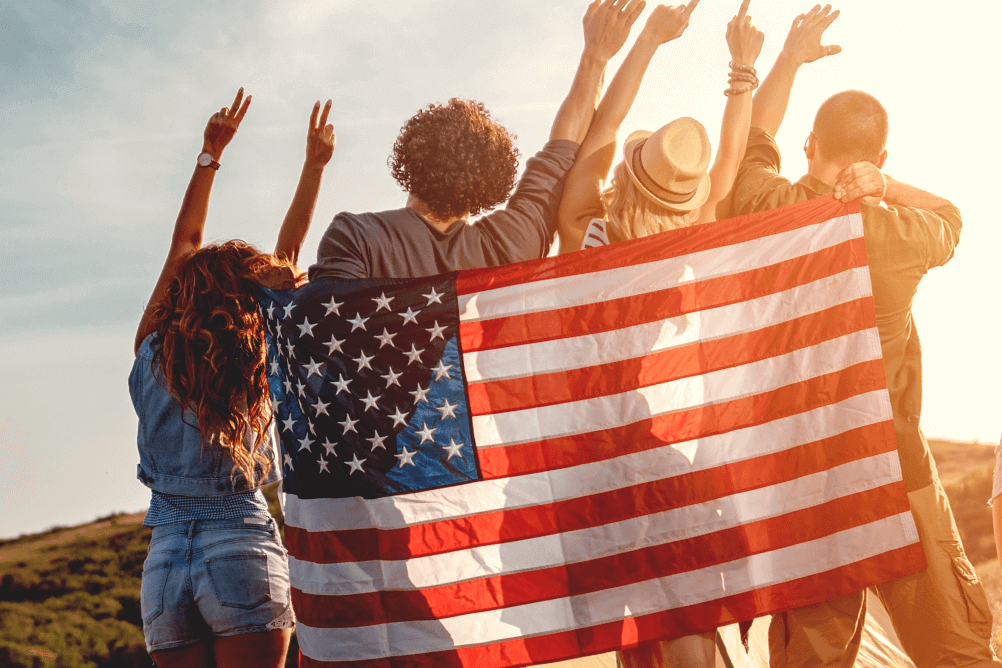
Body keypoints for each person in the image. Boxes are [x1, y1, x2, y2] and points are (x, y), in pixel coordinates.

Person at [714, 5, 999, 667]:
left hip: (806, 481)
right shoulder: (903, 235)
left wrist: (781, 57)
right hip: (897, 467)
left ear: (808, 148)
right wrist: (888, 187)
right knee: (955, 648)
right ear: (879, 158)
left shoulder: (763, 209)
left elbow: (756, 133)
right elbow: (953, 218)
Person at [556, 1, 763, 665]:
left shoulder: (585, 232)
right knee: (681, 617)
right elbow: (730, 152)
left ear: (627, 174)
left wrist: (647, 40)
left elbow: (605, 123)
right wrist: (742, 68)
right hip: (656, 457)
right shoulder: (682, 246)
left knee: (635, 636)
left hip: (589, 465)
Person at [129, 88, 335, 668]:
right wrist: (314, 168)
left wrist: (208, 155)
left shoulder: (151, 349)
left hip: (164, 563)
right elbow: (289, 253)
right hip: (240, 548)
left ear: (184, 292)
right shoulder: (256, 356)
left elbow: (184, 245)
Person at [309, 0, 647, 281]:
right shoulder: (512, 245)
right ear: (489, 184)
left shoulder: (355, 236)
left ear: (413, 157)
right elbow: (564, 146)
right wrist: (595, 56)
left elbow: (326, 331)